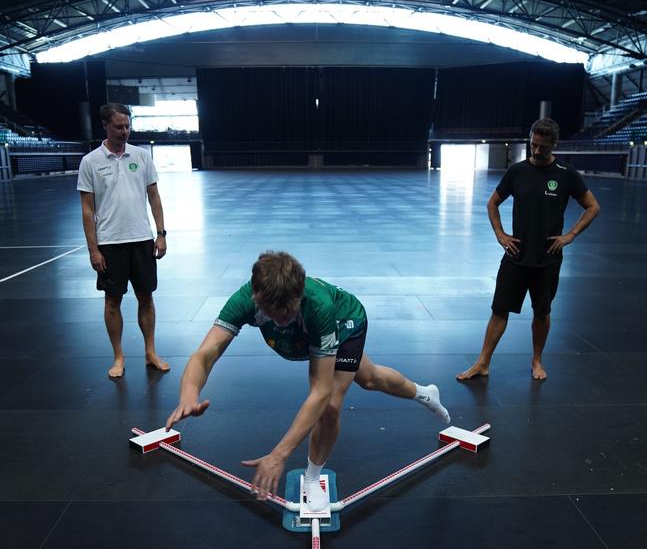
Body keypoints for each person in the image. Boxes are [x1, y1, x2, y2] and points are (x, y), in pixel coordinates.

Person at [166, 251, 450, 511]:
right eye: (271, 312)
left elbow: (321, 392)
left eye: (287, 311)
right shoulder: (243, 301)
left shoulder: (319, 307)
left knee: (331, 406)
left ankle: (312, 478)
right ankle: (425, 393)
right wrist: (189, 393)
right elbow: (205, 354)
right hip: (305, 338)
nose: (279, 319)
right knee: (371, 378)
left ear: (299, 295)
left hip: (344, 323)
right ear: (256, 295)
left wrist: (280, 453)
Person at [457, 117, 600, 382]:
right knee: (499, 310)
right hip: (515, 256)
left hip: (548, 259)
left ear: (554, 145)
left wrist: (570, 235)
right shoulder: (518, 171)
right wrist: (501, 235)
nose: (536, 151)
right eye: (533, 145)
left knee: (542, 312)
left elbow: (593, 206)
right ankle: (482, 363)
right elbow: (492, 203)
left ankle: (537, 361)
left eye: (542, 147)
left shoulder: (566, 175)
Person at [77, 103, 170, 379]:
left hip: (142, 240)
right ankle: (118, 356)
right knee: (112, 302)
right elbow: (87, 210)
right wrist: (93, 250)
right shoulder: (90, 162)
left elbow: (154, 197)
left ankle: (150, 352)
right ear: (105, 125)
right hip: (110, 243)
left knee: (146, 297)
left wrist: (161, 234)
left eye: (127, 126)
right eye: (118, 126)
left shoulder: (141, 156)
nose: (124, 131)